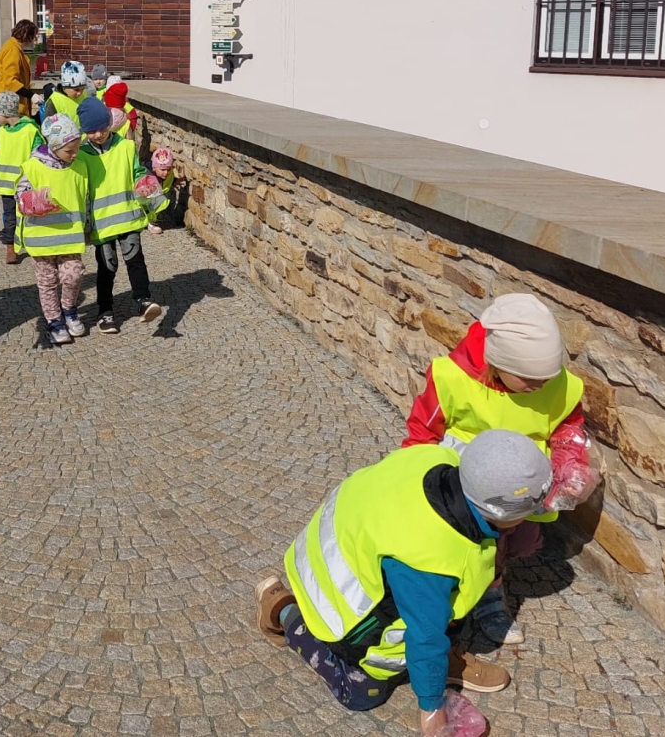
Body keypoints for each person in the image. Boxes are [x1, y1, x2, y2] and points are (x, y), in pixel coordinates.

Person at [254, 430, 553, 735]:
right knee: (362, 693)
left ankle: (439, 660)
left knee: (440, 608)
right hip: (334, 603)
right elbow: (425, 637)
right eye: (529, 512)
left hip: (329, 553)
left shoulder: (437, 458)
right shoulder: (433, 557)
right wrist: (432, 707)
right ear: (500, 512)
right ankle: (283, 609)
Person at [402, 293, 593, 646]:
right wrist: (412, 478)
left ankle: (486, 586)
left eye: (549, 377)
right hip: (465, 484)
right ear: (498, 364)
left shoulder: (555, 384)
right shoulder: (453, 378)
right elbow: (423, 431)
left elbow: (568, 425)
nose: (542, 386)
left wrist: (570, 460)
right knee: (472, 544)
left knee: (517, 542)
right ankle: (473, 598)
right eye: (530, 379)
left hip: (523, 489)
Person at [77, 96, 163, 334]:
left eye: (102, 128)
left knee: (135, 260)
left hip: (128, 217)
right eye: (92, 131)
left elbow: (138, 173)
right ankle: (105, 311)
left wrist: (147, 188)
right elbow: (80, 190)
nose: (98, 135)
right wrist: (83, 225)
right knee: (107, 267)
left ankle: (143, 300)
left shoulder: (126, 147)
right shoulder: (81, 154)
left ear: (109, 124)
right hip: (101, 224)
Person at [15, 113, 91, 345]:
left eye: (76, 148)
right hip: (42, 239)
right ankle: (54, 321)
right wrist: (35, 201)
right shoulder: (33, 167)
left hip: (70, 237)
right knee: (48, 282)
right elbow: (20, 197)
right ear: (54, 146)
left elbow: (85, 198)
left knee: (73, 275)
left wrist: (88, 226)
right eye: (69, 151)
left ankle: (69, 310)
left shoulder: (79, 166)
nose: (75, 154)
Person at [0, 91, 40, 265]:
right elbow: (5, 153)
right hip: (6, 186)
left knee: (30, 216)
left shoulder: (30, 130)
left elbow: (38, 153)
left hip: (26, 184)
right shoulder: (2, 132)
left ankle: (34, 245)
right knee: (10, 217)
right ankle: (10, 247)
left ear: (4, 113)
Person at [0, 19, 40, 116]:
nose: (34, 40)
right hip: (7, 104)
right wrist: (30, 95)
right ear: (26, 35)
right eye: (33, 36)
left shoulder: (12, 47)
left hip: (8, 101)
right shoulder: (12, 50)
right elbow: (10, 81)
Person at [145, 147, 186, 234]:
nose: (166, 173)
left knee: (160, 200)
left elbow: (167, 181)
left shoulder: (168, 175)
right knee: (158, 201)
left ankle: (150, 221)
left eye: (168, 169)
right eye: (162, 169)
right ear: (154, 168)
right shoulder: (146, 176)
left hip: (151, 198)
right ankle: (148, 222)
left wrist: (175, 181)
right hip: (140, 199)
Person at [41, 61, 88, 126]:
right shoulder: (54, 102)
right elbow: (47, 126)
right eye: (76, 90)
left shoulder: (84, 94)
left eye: (82, 89)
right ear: (65, 86)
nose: (80, 93)